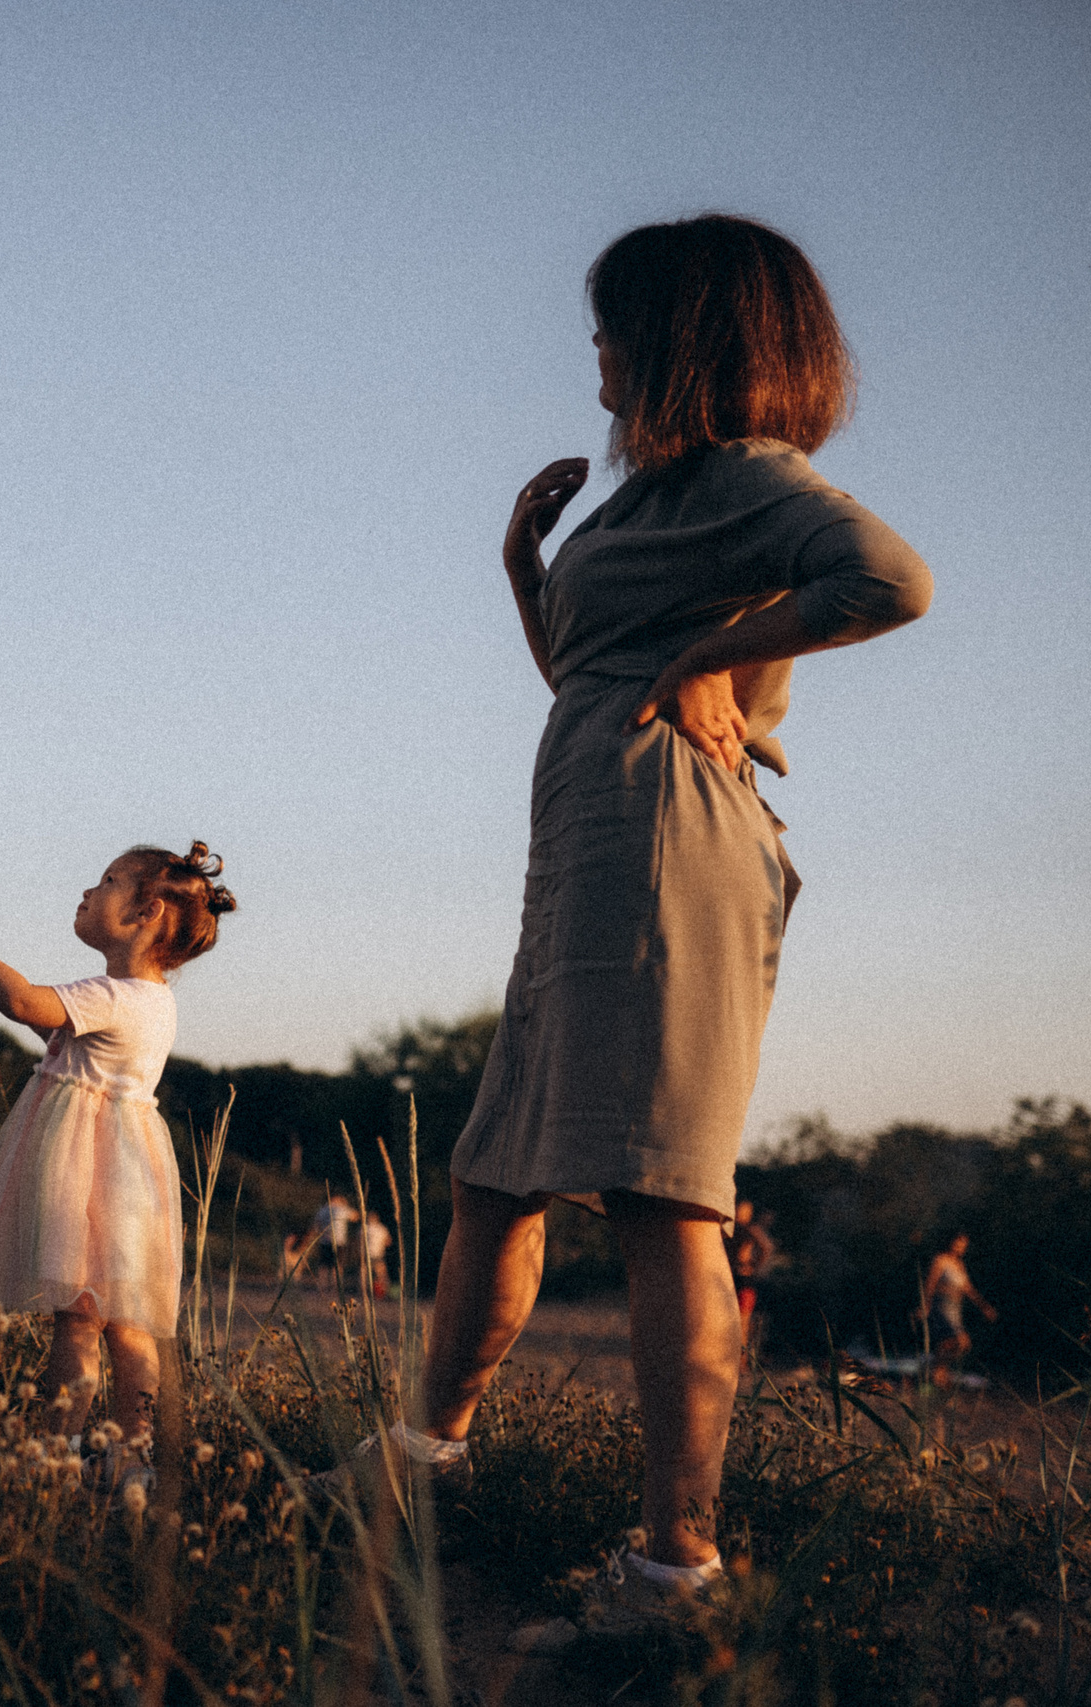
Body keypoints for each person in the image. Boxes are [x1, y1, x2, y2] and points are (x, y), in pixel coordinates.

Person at [392, 215, 933, 1626]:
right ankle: (415, 1466)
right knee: (495, 1172)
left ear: (684, 340)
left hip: (671, 851)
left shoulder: (760, 479)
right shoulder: (655, 500)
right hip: (585, 851)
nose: (596, 347)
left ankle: (673, 1567)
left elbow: (892, 577)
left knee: (658, 1190)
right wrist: (526, 565)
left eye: (615, 320)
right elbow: (591, 672)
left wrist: (722, 653)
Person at [0, 845, 237, 1486]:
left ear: (146, 912)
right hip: (133, 1175)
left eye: (106, 881)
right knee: (130, 1326)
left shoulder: (114, 996)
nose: (87, 890)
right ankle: (131, 1459)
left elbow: (22, 1002)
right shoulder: (152, 1002)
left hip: (89, 1172)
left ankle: (53, 1456)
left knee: (77, 1321)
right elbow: (62, 1038)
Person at [920, 1231, 995, 1379]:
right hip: (941, 1306)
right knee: (962, 1341)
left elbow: (968, 1288)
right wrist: (925, 1305)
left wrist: (984, 1306)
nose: (960, 1248)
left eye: (963, 1245)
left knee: (949, 1343)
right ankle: (936, 1369)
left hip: (955, 1307)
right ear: (950, 1242)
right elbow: (930, 1283)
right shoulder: (940, 1260)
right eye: (958, 1244)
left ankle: (935, 1370)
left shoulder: (959, 1264)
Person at [726, 1199, 777, 1348]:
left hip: (743, 1277)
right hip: (732, 1276)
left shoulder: (748, 1229)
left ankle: (743, 1361)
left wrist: (753, 1265)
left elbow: (766, 1247)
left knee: (743, 1320)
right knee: (733, 1319)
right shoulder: (731, 1228)